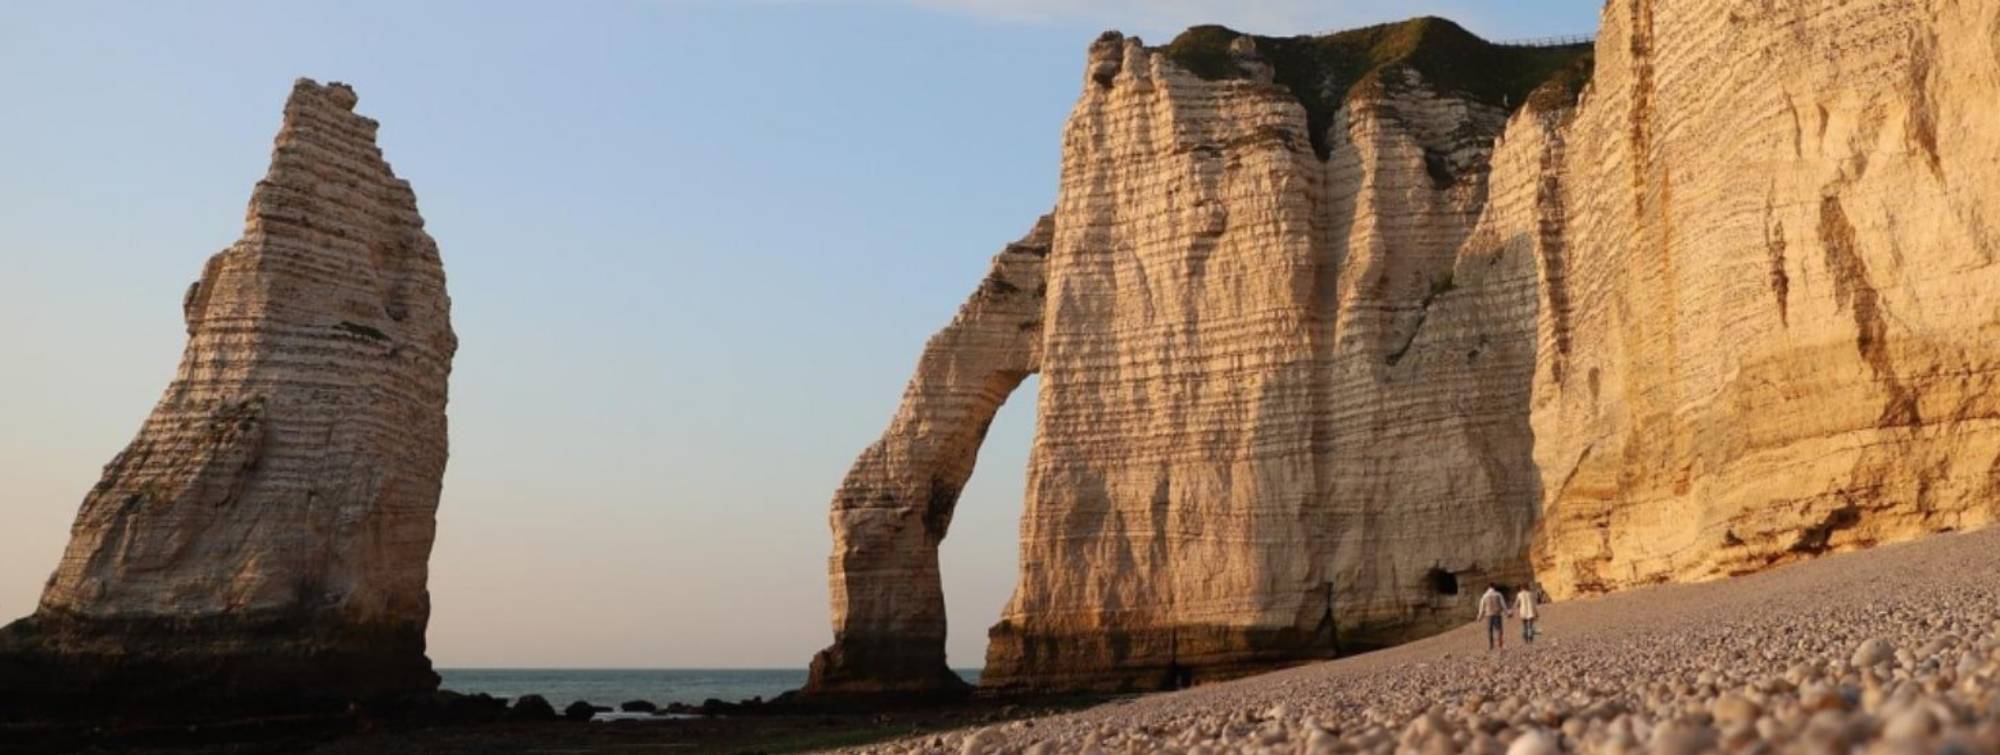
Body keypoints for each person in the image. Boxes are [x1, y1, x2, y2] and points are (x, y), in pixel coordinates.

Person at [1477, 584, 1511, 650]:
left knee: (1489, 630)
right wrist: (1507, 613)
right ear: (1494, 587)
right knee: (1499, 630)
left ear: (1488, 588)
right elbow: (1503, 605)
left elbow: (1482, 608)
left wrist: (1479, 617)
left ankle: (1491, 645)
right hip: (1497, 614)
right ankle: (1500, 644)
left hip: (1488, 615)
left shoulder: (1484, 596)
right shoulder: (1498, 594)